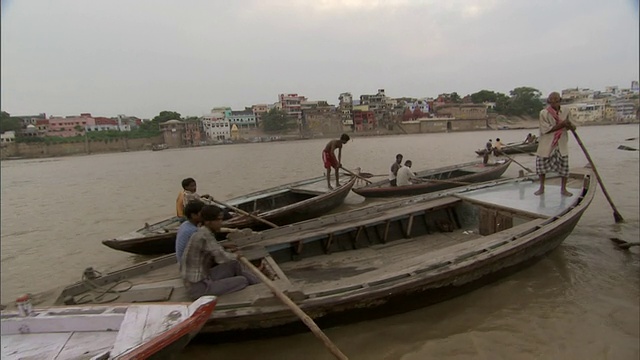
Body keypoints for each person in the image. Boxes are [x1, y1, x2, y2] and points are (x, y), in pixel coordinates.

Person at [180, 205, 260, 299]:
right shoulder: (205, 235)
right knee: (243, 280)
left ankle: (257, 282)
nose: (221, 223)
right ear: (208, 222)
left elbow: (214, 248)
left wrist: (225, 248)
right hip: (199, 287)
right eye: (218, 220)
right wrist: (236, 255)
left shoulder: (202, 231)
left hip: (203, 277)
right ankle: (257, 285)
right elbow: (222, 258)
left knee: (234, 264)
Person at [534, 92, 576, 197]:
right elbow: (546, 130)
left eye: (556, 100)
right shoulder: (543, 113)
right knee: (541, 167)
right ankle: (541, 187)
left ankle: (563, 189)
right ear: (548, 101)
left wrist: (569, 125)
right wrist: (561, 124)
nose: (554, 102)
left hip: (561, 143)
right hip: (547, 143)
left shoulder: (566, 111)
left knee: (564, 168)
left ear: (560, 100)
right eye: (551, 100)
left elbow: (573, 126)